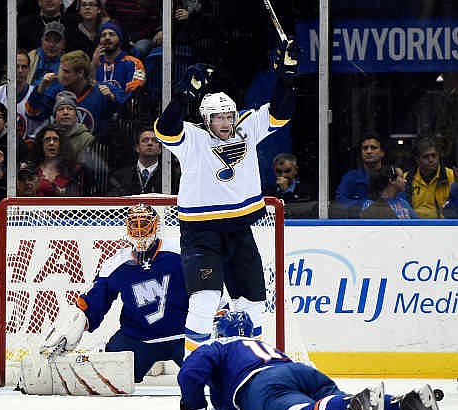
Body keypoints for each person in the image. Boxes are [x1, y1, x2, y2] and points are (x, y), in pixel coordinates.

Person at [154, 42, 298, 356]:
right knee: (204, 301)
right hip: (200, 234)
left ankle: (251, 363)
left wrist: (286, 77)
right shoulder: (192, 138)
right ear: (206, 120)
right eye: (218, 118)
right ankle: (195, 366)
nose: (225, 122)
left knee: (254, 304)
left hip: (239, 231)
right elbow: (165, 129)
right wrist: (183, 95)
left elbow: (281, 112)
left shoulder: (246, 128)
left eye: (229, 116)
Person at [176, 311, 446, 410]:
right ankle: (406, 405)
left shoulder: (218, 346)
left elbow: (190, 373)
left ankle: (355, 405)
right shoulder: (264, 345)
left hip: (263, 385)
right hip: (300, 372)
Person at [42, 203, 189, 383]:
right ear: (127, 227)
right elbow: (92, 304)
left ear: (155, 225)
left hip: (183, 336)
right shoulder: (116, 263)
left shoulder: (179, 252)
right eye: (135, 225)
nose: (140, 230)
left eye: (145, 224)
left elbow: (204, 286)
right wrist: (73, 326)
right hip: (136, 339)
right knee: (103, 379)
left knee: (213, 377)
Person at [26, 49, 123, 137]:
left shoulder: (102, 91)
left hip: (94, 151)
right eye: (60, 69)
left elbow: (122, 114)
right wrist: (41, 88)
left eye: (66, 71)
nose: (60, 74)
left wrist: (112, 98)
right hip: (64, 151)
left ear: (80, 73)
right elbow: (32, 114)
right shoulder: (56, 92)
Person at [92, 21, 146, 105]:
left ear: (120, 40)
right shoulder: (94, 63)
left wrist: (113, 96)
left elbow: (134, 91)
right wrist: (93, 66)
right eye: (103, 35)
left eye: (112, 34)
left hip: (123, 114)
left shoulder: (133, 63)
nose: (107, 37)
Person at [403, 138, 456, 219]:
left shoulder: (452, 176)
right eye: (425, 157)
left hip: (444, 226)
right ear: (417, 160)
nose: (431, 160)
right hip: (414, 227)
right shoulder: (406, 179)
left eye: (433, 155)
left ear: (438, 156)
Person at [107, 126, 165, 196]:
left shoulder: (170, 177)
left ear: (160, 149)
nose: (150, 143)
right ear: (137, 148)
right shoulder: (120, 176)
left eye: (155, 141)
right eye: (145, 140)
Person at [335, 135, 385, 213]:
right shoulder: (350, 177)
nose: (369, 151)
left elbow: (399, 202)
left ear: (382, 153)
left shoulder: (391, 178)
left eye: (373, 148)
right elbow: (340, 201)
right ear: (361, 153)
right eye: (365, 148)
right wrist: (365, 205)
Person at [264, 152, 317, 218]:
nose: (283, 175)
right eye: (279, 171)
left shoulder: (306, 189)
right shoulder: (269, 191)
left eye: (287, 171)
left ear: (296, 170)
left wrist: (286, 191)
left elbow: (302, 209)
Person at [33, 124, 79, 196]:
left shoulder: (73, 170)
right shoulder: (32, 169)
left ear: (61, 144)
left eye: (55, 139)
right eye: (47, 139)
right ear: (41, 144)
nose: (51, 143)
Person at [27, 21, 66, 90]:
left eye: (56, 41)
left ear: (63, 44)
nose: (51, 45)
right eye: (47, 40)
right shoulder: (31, 57)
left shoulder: (68, 62)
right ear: (41, 41)